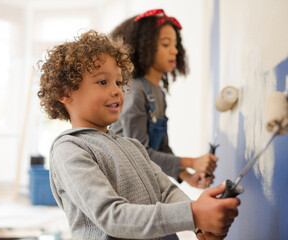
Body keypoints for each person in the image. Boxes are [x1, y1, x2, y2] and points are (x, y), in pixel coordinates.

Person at [38, 29, 240, 240]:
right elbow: (112, 216)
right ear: (65, 93)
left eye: (118, 82)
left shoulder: (133, 146)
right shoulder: (69, 150)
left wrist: (198, 222)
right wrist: (193, 214)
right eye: (102, 82)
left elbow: (167, 192)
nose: (117, 90)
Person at [109, 9, 217, 188]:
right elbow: (140, 154)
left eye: (176, 45)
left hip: (145, 180)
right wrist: (191, 162)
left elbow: (161, 148)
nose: (174, 51)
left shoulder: (157, 93)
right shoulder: (135, 91)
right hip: (125, 184)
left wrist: (187, 176)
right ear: (144, 47)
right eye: (166, 44)